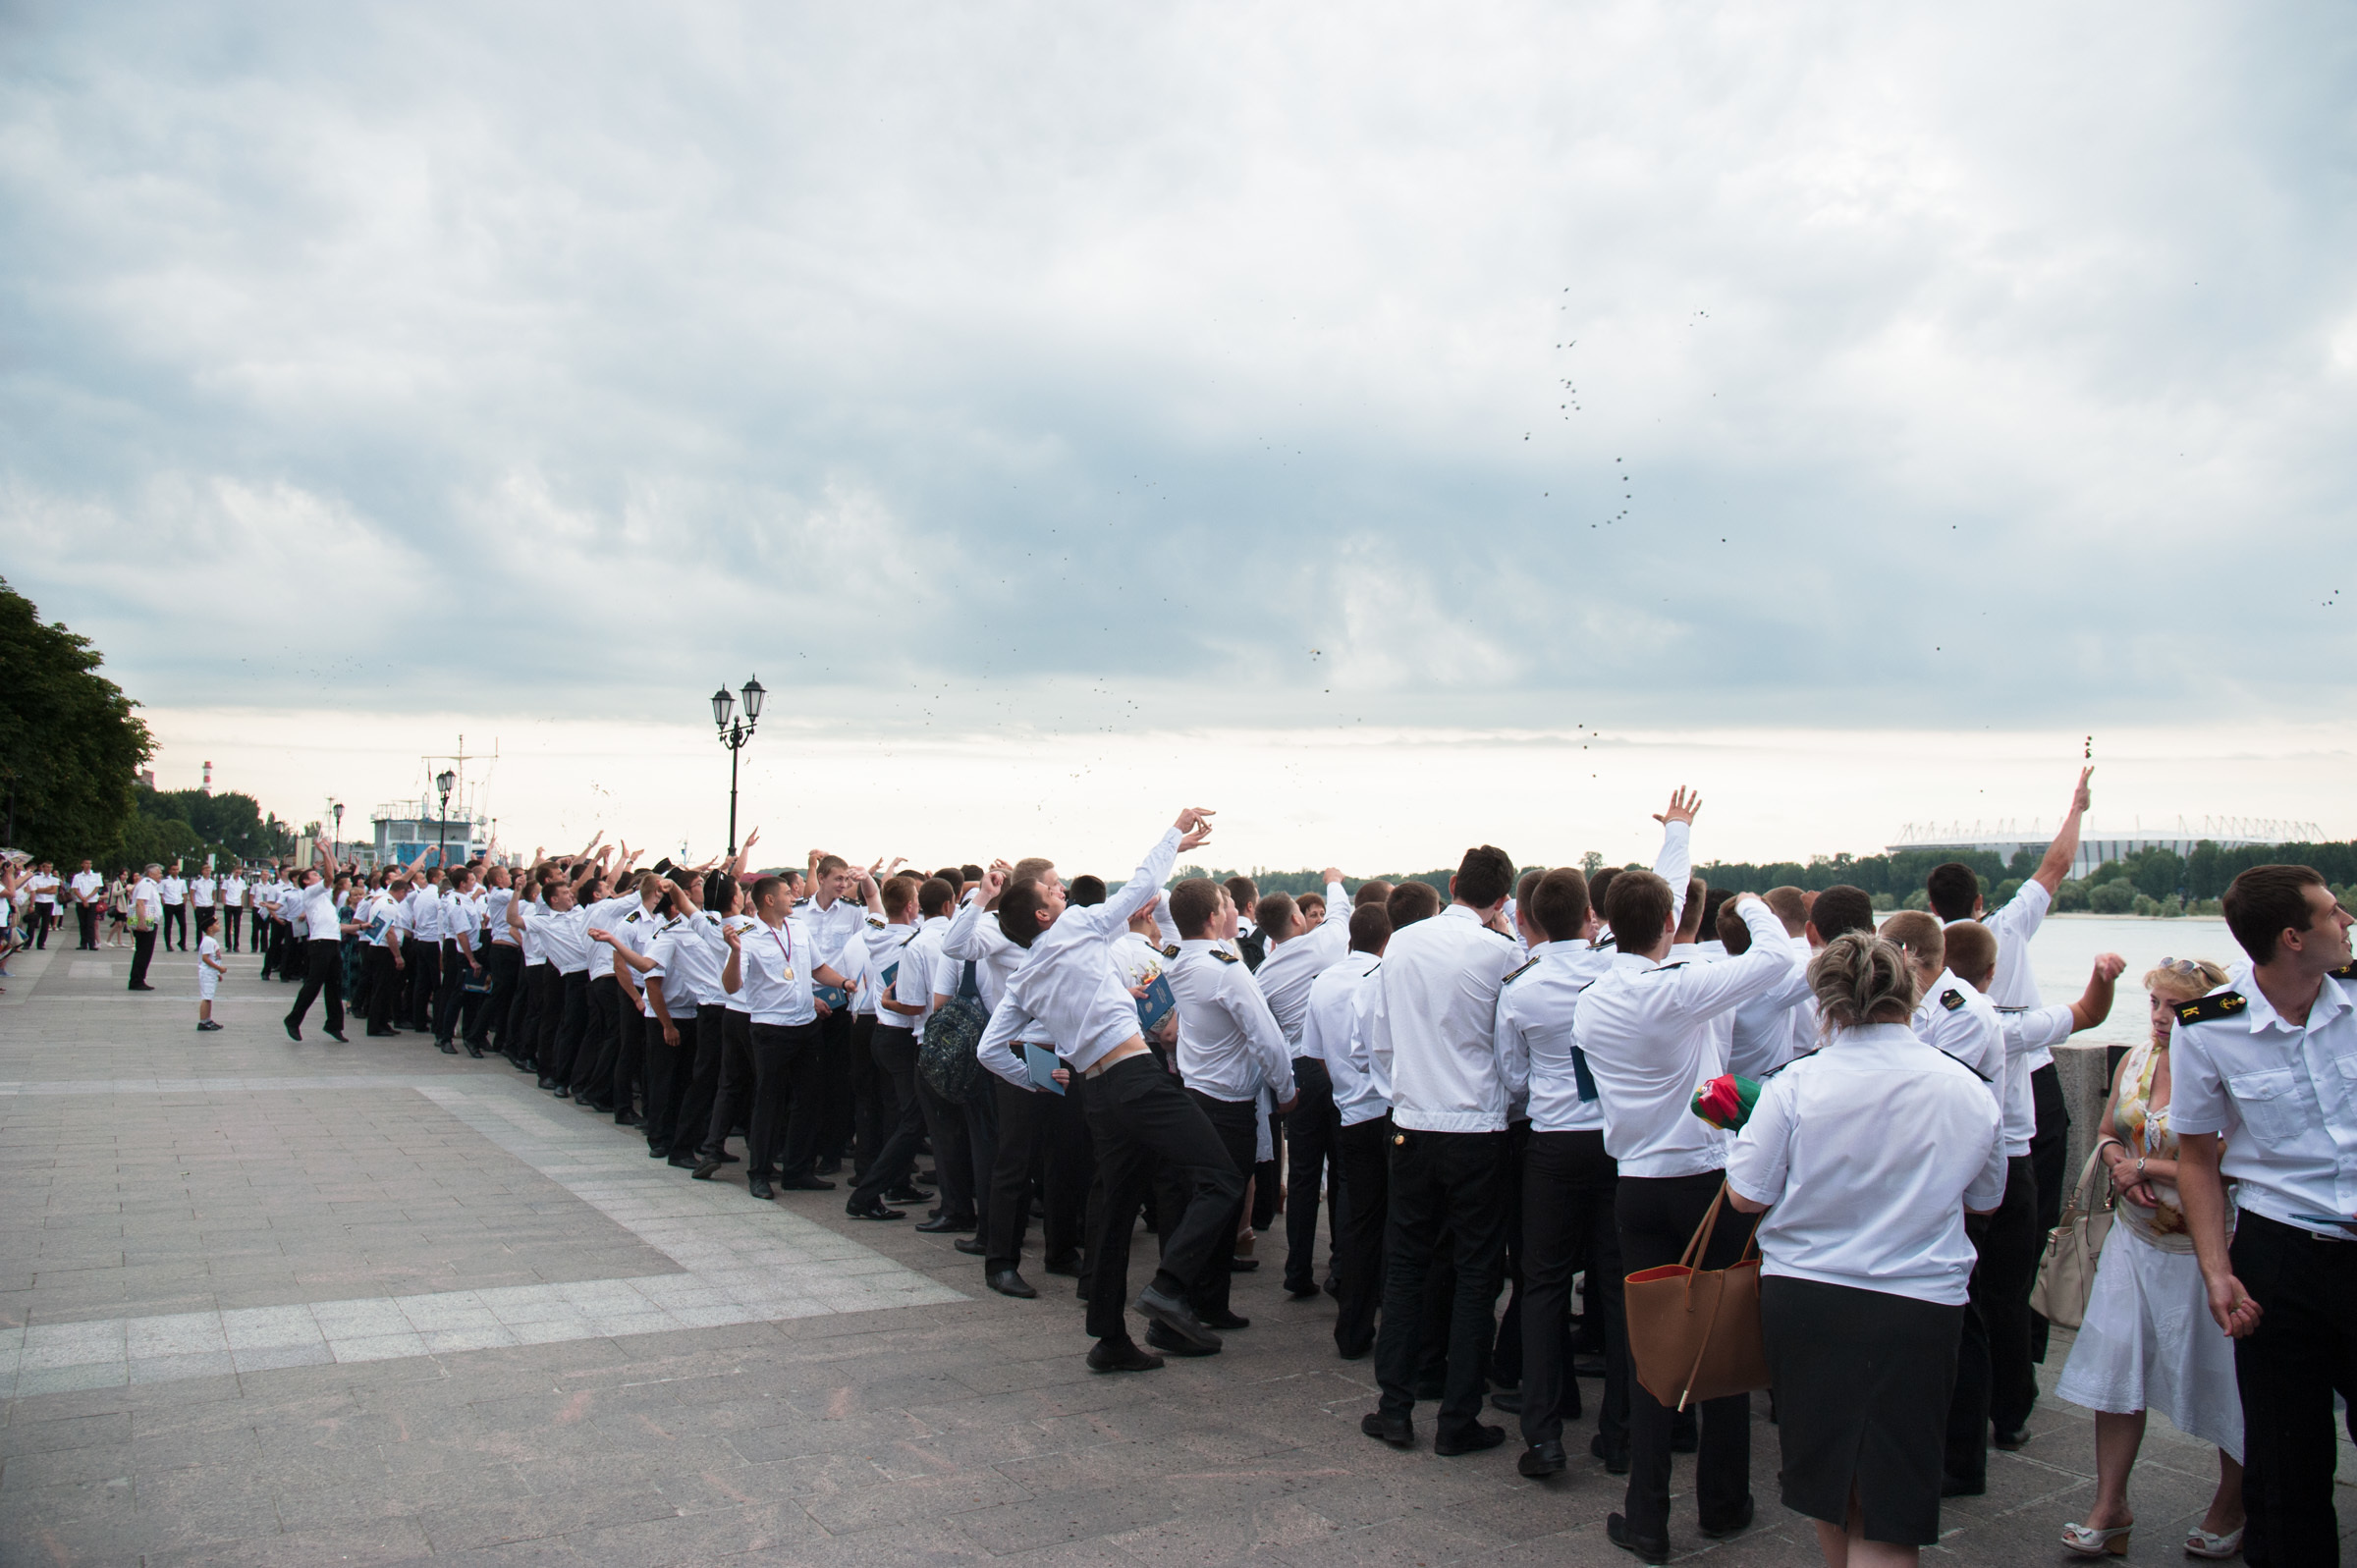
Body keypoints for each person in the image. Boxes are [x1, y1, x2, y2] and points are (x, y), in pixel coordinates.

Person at [1573, 791, 1811, 1563]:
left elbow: (1657, 907)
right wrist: (1750, 901)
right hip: (1707, 1180)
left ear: (1607, 922)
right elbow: (1777, 960)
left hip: (1637, 1182)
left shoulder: (1593, 999)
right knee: (1723, 1333)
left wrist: (1677, 835)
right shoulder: (1678, 987)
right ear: (1671, 930)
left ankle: (1646, 1516)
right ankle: (1724, 1499)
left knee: (1651, 1350)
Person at [1726, 931, 2008, 1568]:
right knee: (1891, 1502)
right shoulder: (1966, 1089)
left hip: (1808, 1295)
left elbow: (1746, 1195)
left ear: (1825, 1001)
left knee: (1828, 1478)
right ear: (1910, 991)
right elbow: (1986, 1199)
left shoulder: (1797, 1083)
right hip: (1917, 1300)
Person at [975, 807, 1227, 1373]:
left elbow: (990, 1051)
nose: (1062, 892)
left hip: (1096, 1090)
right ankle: (1169, 1286)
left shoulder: (1024, 977)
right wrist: (1171, 832)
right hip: (1134, 1074)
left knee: (1115, 1209)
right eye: (1052, 890)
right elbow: (1138, 887)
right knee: (1220, 1176)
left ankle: (1110, 1338)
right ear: (1043, 914)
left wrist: (1038, 1079)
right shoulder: (1071, 927)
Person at [2170, 864, 2357, 1568]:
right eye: (2333, 913)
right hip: (2281, 1253)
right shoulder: (2207, 1024)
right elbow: (2195, 1156)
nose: (2346, 922)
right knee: (2285, 1460)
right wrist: (2217, 1271)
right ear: (2292, 938)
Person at [2055, 955, 2246, 1560]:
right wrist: (2118, 1163)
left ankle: (2233, 1501)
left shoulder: (2229, 1064)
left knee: (2228, 1381)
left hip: (2208, 1248)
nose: (2162, 1017)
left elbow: (2229, 1155)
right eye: (2157, 1004)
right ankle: (2111, 1506)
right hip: (2136, 1241)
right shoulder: (2140, 1057)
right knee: (2117, 1369)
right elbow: (2110, 1128)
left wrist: (2149, 1166)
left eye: (2177, 1006)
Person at [1357, 841, 1526, 1458]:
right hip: (1477, 1127)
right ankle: (1458, 1416)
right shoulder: (1502, 952)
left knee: (1405, 1266)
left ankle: (1395, 1406)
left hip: (1413, 1119)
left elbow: (1379, 1037)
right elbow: (1510, 1052)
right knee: (1478, 1273)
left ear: (1454, 882)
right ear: (1501, 899)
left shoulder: (1402, 942)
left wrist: (1401, 1091)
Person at [1161, 876, 1298, 1347]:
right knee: (1221, 1202)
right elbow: (1267, 1038)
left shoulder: (1175, 957)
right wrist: (1286, 1090)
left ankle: (1209, 1302)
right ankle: (1193, 1300)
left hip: (1195, 1093)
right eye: (1226, 905)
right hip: (1228, 1103)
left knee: (1205, 1201)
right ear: (1215, 917)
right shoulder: (1227, 969)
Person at [712, 874, 859, 1200]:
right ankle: (760, 1173)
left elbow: (818, 968)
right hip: (771, 1029)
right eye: (786, 894)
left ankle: (797, 1171)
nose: (793, 897)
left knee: (808, 1101)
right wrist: (735, 952)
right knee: (769, 1102)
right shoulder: (747, 935)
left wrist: (844, 982)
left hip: (805, 1025)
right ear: (768, 900)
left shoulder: (799, 928)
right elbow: (732, 986)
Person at [1251, 870, 1350, 1298]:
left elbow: (1263, 1034)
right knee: (1344, 1172)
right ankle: (1342, 1264)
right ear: (1296, 919)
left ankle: (1297, 1270)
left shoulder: (1264, 975)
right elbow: (1342, 913)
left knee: (1306, 1175)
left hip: (1297, 1073)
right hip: (1334, 1065)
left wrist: (1280, 1088)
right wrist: (1333, 880)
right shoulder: (1322, 944)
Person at [283, 837, 353, 1042]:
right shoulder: (311, 892)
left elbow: (334, 873)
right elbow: (330, 876)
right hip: (320, 943)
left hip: (332, 942)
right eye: (314, 874)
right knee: (313, 985)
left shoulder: (325, 896)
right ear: (306, 881)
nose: (318, 874)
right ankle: (293, 1020)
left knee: (334, 985)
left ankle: (334, 1025)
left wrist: (329, 850)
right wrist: (323, 853)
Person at [127, 864, 163, 990]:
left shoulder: (147, 884)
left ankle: (139, 978)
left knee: (144, 952)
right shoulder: (147, 884)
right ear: (150, 874)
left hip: (148, 920)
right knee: (144, 952)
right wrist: (141, 923)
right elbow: (140, 903)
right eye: (159, 873)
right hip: (146, 920)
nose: (161, 875)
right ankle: (137, 980)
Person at [194, 912, 226, 1031]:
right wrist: (219, 969)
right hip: (207, 973)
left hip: (211, 973)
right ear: (210, 928)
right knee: (206, 997)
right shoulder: (208, 941)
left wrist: (217, 973)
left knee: (209, 997)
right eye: (217, 924)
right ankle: (203, 1021)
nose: (219, 925)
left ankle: (208, 1019)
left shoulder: (211, 940)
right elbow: (205, 958)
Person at [70, 859, 102, 949]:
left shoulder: (96, 876)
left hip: (92, 901)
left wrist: (87, 898)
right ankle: (83, 943)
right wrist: (83, 899)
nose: (88, 865)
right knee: (82, 923)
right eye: (86, 863)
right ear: (82, 865)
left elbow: (97, 888)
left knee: (90, 923)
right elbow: (75, 889)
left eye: (90, 863)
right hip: (80, 901)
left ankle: (92, 943)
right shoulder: (77, 877)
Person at [160, 861, 189, 951]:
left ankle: (182, 943)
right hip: (169, 904)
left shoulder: (182, 881)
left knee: (183, 924)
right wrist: (164, 903)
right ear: (169, 871)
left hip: (179, 904)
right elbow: (160, 893)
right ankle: (168, 944)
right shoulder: (164, 881)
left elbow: (184, 893)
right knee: (168, 925)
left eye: (176, 870)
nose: (175, 871)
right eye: (173, 870)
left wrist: (183, 902)